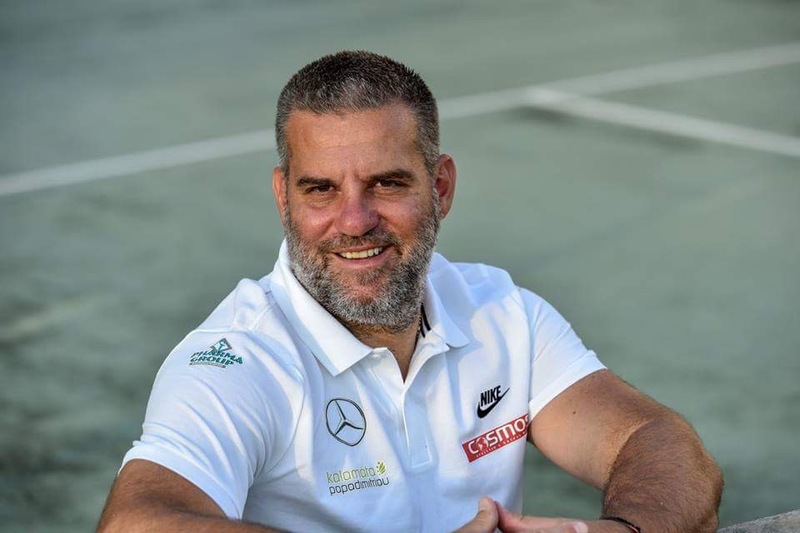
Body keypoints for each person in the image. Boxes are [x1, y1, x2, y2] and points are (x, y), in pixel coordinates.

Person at [98, 51, 722, 533]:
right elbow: (136, 523)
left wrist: (616, 532)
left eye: (387, 184)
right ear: (284, 197)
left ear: (441, 188)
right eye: (320, 190)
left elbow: (654, 441)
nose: (354, 220)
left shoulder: (500, 312)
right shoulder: (238, 359)